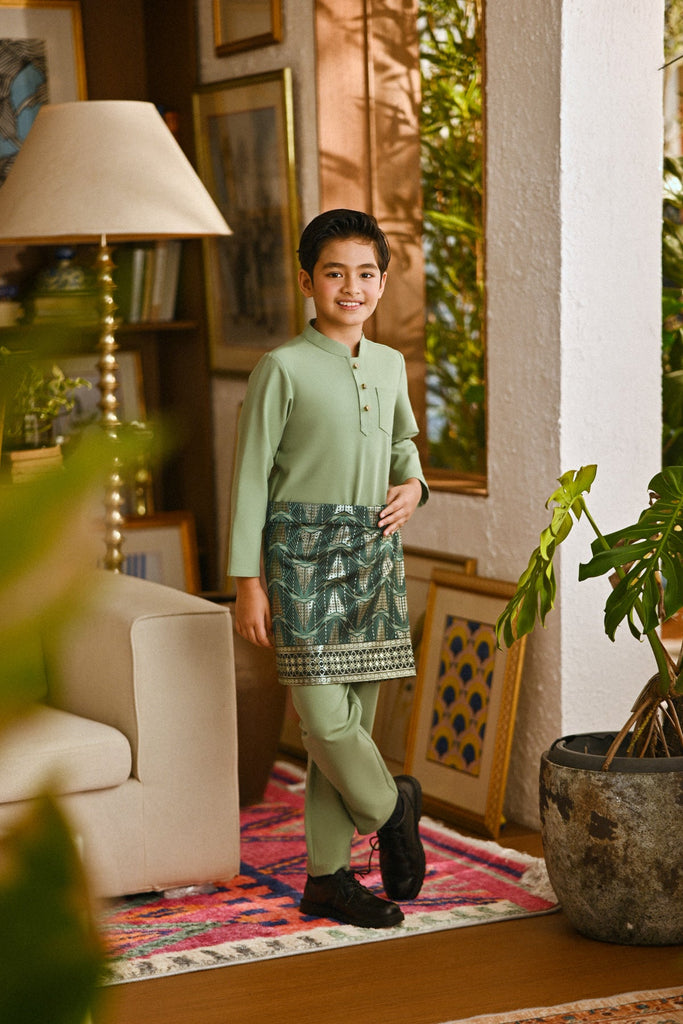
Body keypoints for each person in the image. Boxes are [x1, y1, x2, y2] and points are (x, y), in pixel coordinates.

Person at [227, 208, 429, 929]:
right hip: (300, 561)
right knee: (322, 720)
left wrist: (415, 486)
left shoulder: (390, 365)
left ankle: (327, 878)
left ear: (383, 282)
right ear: (307, 280)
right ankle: (393, 809)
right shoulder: (281, 368)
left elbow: (403, 450)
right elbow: (250, 478)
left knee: (352, 730)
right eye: (335, 272)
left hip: (373, 553)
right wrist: (247, 582)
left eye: (366, 273)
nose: (352, 287)